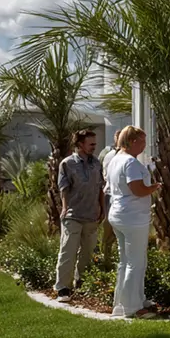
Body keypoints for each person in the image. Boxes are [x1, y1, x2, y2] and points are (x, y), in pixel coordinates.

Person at [104, 126, 159, 319]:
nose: (144, 145)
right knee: (136, 262)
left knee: (126, 261)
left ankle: (125, 301)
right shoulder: (130, 163)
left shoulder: (115, 159)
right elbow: (137, 189)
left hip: (119, 214)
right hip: (133, 217)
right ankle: (132, 307)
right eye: (142, 141)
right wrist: (154, 187)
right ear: (132, 141)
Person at [53, 129, 104, 303]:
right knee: (68, 251)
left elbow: (100, 188)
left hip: (91, 215)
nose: (94, 147)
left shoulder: (97, 163)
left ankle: (82, 283)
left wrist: (101, 208)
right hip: (73, 215)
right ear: (80, 144)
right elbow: (63, 188)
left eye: (95, 144)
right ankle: (62, 288)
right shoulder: (67, 164)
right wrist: (65, 208)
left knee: (88, 253)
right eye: (91, 144)